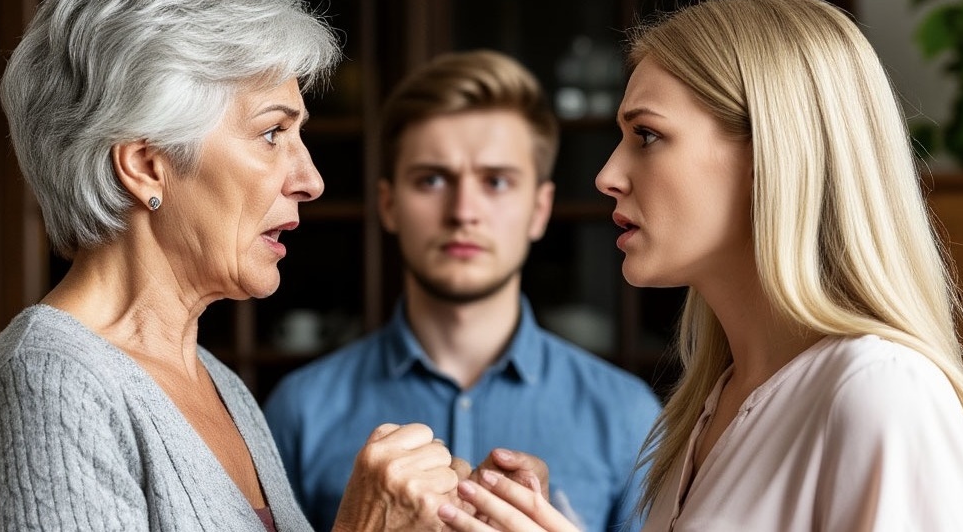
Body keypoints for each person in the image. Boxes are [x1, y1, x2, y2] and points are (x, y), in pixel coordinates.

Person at [436, 0, 963, 531]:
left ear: (771, 152)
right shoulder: (704, 412)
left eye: (647, 135)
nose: (607, 175)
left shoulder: (881, 392)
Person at [0, 0, 499, 530]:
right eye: (271, 133)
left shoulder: (218, 383)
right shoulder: (48, 384)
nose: (311, 180)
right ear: (147, 165)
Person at [262, 49, 663, 532]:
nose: (464, 211)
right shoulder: (300, 411)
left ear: (539, 209)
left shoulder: (627, 416)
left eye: (496, 181)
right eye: (432, 179)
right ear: (388, 205)